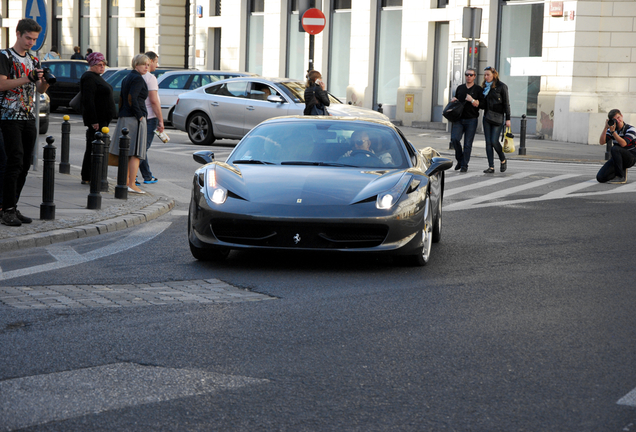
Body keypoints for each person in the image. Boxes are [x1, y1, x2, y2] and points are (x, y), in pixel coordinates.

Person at [0, 18, 50, 226]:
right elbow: (2, 85)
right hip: (8, 116)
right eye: (28, 38)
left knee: (25, 164)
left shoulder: (33, 60)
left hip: (29, 116)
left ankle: (13, 205)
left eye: (34, 39)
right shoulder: (4, 56)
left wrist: (45, 81)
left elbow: (39, 90)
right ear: (18, 34)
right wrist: (27, 79)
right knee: (14, 161)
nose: (31, 42)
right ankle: (6, 208)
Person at [109, 54, 149, 194]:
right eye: (144, 64)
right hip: (134, 118)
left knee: (126, 152)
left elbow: (122, 98)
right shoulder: (137, 78)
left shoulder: (127, 77)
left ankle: (126, 182)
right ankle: (132, 183)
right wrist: (140, 117)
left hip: (125, 116)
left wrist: (121, 112)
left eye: (148, 65)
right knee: (135, 153)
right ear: (136, 64)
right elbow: (133, 98)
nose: (146, 67)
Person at [79, 52, 116, 184]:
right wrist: (93, 120)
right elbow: (88, 100)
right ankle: (89, 176)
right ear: (92, 65)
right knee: (94, 147)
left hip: (103, 119)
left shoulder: (96, 76)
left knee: (95, 147)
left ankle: (91, 175)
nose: (102, 67)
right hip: (97, 120)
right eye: (99, 64)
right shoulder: (89, 77)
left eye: (104, 64)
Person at [449, 68, 483, 172]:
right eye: (467, 74)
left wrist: (472, 100)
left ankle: (464, 165)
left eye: (471, 75)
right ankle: (460, 159)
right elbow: (456, 100)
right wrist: (454, 100)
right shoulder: (460, 88)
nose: (469, 76)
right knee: (454, 139)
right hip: (459, 119)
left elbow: (482, 105)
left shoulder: (478, 89)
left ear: (474, 76)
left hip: (471, 120)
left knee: (467, 144)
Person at [138, 51, 163, 185]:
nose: (156, 65)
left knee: (140, 147)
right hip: (149, 116)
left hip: (138, 116)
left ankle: (147, 175)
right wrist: (160, 120)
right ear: (150, 61)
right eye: (156, 62)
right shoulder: (150, 78)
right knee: (143, 148)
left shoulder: (134, 76)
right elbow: (154, 101)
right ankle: (131, 176)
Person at [480, 66, 511, 174]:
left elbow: (506, 103)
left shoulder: (502, 86)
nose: (486, 77)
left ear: (494, 75)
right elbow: (483, 104)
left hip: (498, 117)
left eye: (488, 74)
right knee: (488, 143)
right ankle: (491, 166)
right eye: (485, 75)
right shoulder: (484, 87)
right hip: (487, 117)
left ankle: (503, 159)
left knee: (494, 141)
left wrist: (508, 119)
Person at [596, 109, 636, 184]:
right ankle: (620, 170)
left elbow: (624, 144)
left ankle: (621, 177)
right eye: (615, 119)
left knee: (615, 148)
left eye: (618, 117)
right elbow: (602, 142)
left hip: (630, 157)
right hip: (617, 159)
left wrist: (613, 132)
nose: (618, 120)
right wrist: (605, 128)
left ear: (622, 116)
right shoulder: (612, 130)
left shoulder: (631, 129)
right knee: (600, 178)